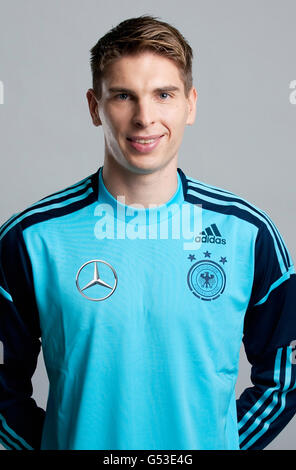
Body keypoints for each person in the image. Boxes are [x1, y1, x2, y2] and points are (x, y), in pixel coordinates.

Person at [0, 15, 295, 451]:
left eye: (163, 95)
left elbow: (286, 376)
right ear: (94, 106)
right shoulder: (32, 238)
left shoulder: (247, 233)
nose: (145, 117)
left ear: (190, 104)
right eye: (123, 95)